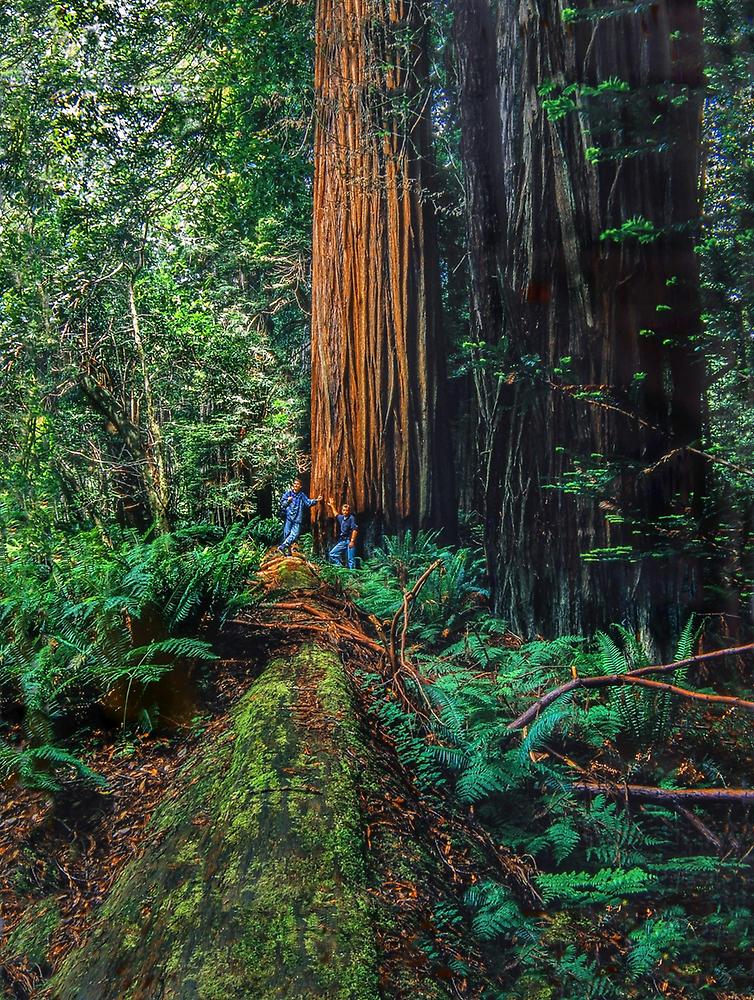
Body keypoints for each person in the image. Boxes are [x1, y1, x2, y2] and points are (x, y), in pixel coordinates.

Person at [278, 478, 322, 556]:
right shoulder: (288, 494)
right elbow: (282, 505)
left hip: (298, 518)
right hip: (289, 517)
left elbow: (308, 503)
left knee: (294, 534)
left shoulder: (302, 495)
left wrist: (316, 500)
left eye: (297, 484)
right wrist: (288, 501)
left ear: (300, 486)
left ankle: (283, 546)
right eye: (294, 484)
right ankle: (288, 552)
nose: (295, 485)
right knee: (287, 534)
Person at [326, 497, 358, 569]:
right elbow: (336, 514)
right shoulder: (341, 518)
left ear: (349, 511)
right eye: (344, 510)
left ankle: (352, 577)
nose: (345, 512)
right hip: (343, 541)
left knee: (351, 560)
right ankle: (341, 568)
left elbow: (355, 530)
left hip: (349, 541)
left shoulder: (351, 518)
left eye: (347, 510)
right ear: (342, 511)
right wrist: (332, 505)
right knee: (332, 554)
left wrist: (352, 541)